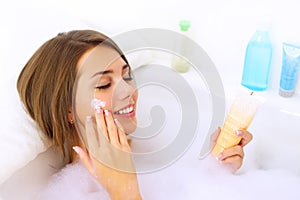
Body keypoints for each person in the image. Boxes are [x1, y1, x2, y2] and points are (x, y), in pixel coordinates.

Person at [16, 29, 252, 199]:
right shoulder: (67, 191)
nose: (129, 90)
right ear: (67, 110)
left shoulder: (149, 154)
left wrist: (216, 169)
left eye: (127, 75)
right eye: (104, 84)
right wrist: (123, 190)